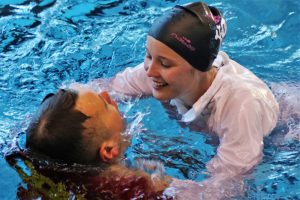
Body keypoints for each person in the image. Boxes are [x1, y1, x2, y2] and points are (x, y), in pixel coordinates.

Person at [93, 1, 280, 197]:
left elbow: (226, 187)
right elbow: (101, 89)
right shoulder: (157, 74)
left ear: (199, 67)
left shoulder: (240, 106)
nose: (150, 70)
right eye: (148, 55)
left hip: (283, 137)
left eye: (164, 64)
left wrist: (153, 185)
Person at [24, 83, 170, 199]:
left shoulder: (41, 177)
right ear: (108, 151)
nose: (106, 94)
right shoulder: (140, 187)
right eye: (106, 105)